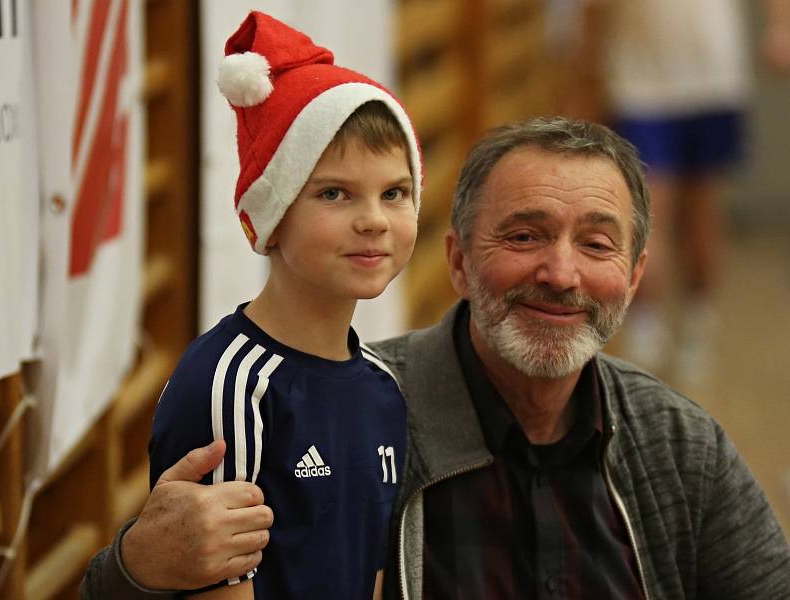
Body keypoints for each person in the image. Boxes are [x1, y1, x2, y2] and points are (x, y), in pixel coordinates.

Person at [81, 117, 790, 599]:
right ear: (456, 261)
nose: (561, 273)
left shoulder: (678, 446)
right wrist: (139, 568)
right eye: (523, 235)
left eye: (598, 245)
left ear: (634, 277)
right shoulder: (347, 412)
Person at [100, 10, 422, 599]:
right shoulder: (231, 387)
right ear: (268, 223)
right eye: (334, 193)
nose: (375, 220)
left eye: (394, 193)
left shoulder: (384, 388)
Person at [568, 0, 790, 384]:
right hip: (640, 86)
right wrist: (588, 75)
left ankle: (696, 323)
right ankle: (644, 333)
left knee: (703, 215)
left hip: (712, 84)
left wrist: (780, 27)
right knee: (648, 214)